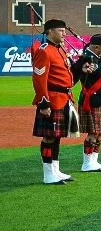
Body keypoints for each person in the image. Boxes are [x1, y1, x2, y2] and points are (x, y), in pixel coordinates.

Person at [32, 19, 78, 184]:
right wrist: (43, 102)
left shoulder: (61, 50)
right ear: (50, 31)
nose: (64, 34)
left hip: (64, 99)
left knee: (57, 136)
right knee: (49, 138)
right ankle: (48, 174)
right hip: (52, 100)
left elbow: (67, 77)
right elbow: (39, 78)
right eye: (61, 31)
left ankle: (56, 171)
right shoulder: (44, 51)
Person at [71, 33, 101, 172]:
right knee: (93, 133)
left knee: (100, 132)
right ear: (97, 47)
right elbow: (98, 72)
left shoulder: (98, 58)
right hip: (93, 100)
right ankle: (87, 163)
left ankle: (94, 161)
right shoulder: (88, 58)